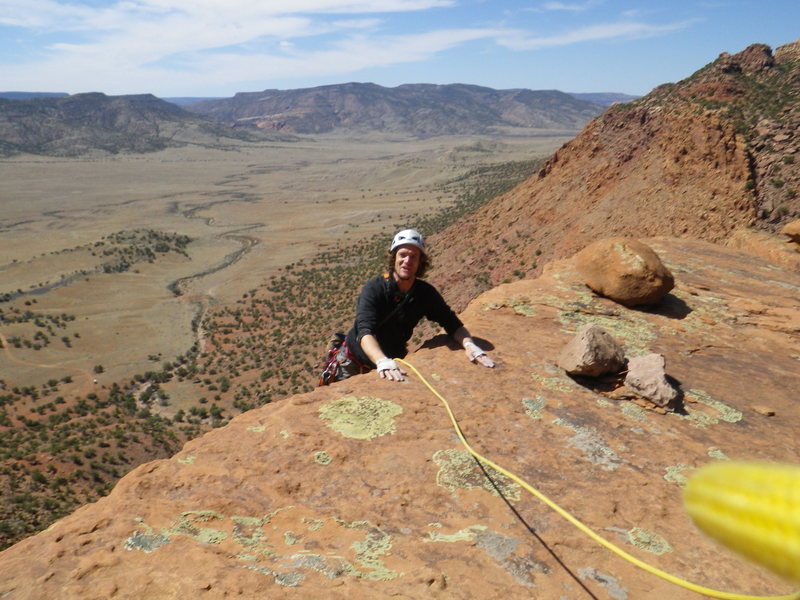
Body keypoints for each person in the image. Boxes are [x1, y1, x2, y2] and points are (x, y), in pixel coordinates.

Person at [319, 229, 494, 384]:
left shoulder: (424, 293)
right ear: (394, 258)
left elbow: (452, 324)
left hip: (393, 362)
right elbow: (365, 332)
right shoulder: (375, 289)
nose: (407, 261)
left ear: (420, 263)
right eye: (402, 255)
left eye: (413, 257)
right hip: (354, 364)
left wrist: (470, 346)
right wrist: (381, 361)